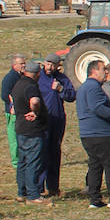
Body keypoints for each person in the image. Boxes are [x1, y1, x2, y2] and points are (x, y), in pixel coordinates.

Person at [76, 60, 110, 208]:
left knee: (95, 166)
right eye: (103, 69)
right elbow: (98, 108)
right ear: (95, 71)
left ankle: (95, 199)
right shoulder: (93, 88)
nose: (106, 73)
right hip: (101, 133)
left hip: (88, 133)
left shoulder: (84, 87)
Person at [36, 53, 76, 197]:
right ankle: (39, 188)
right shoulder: (38, 77)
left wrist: (61, 90)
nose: (49, 67)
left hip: (58, 119)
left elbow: (72, 96)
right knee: (41, 152)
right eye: (47, 64)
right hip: (42, 120)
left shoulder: (62, 78)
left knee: (55, 152)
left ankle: (53, 187)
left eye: (53, 65)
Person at [10, 59, 49, 204]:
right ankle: (33, 195)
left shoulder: (18, 84)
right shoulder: (31, 86)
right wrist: (35, 112)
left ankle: (22, 192)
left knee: (23, 161)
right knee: (33, 162)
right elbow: (34, 101)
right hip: (32, 130)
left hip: (20, 127)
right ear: (37, 73)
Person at [1, 53, 27, 172]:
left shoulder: (21, 76)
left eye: (24, 63)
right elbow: (4, 95)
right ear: (14, 65)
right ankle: (16, 162)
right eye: (21, 63)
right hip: (13, 113)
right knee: (14, 138)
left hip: (21, 112)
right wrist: (12, 106)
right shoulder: (10, 78)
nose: (24, 65)